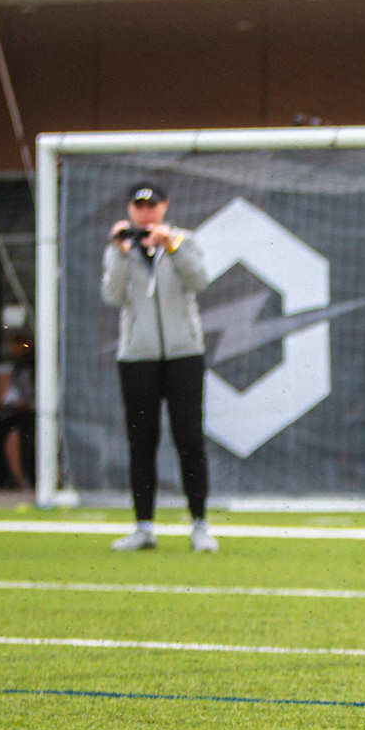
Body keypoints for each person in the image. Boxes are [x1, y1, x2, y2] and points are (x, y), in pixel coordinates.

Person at [102, 182, 217, 553]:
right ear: (129, 209)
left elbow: (199, 281)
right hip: (138, 358)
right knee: (141, 442)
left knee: (189, 439)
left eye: (151, 205)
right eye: (139, 206)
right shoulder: (120, 248)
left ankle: (199, 524)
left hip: (184, 355)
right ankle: (143, 527)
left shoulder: (185, 240)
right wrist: (121, 252)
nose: (145, 213)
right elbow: (112, 295)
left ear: (165, 206)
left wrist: (172, 247)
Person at [0, 333, 36, 488]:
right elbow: (12, 394)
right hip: (18, 411)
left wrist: (28, 404)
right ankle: (3, 476)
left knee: (24, 433)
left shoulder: (38, 370)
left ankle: (29, 477)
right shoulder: (18, 369)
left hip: (33, 412)